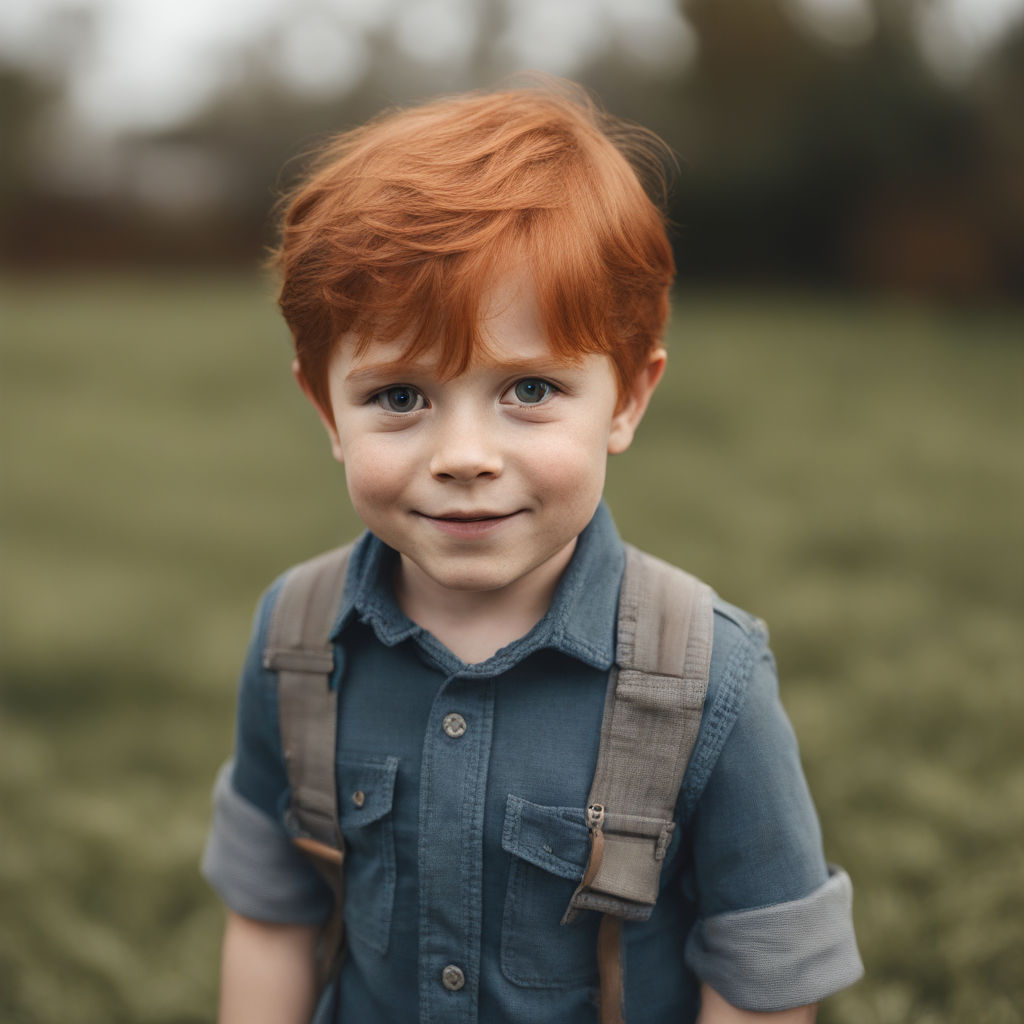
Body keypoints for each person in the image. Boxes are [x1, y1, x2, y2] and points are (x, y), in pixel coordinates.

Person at [201, 78, 863, 1024]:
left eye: (531, 389)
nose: (465, 458)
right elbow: (272, 914)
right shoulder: (300, 641)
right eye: (399, 397)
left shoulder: (706, 673)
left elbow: (764, 970)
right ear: (326, 411)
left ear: (628, 397)